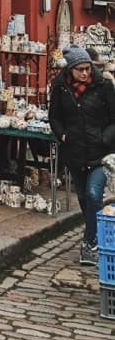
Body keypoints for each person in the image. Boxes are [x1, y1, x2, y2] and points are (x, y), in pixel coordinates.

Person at [49, 44, 115, 265]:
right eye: (80, 69)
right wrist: (63, 135)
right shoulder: (60, 88)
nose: (85, 73)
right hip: (75, 150)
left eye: (87, 68)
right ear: (70, 69)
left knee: (94, 194)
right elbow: (54, 116)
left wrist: (105, 139)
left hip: (100, 152)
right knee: (84, 199)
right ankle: (97, 233)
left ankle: (88, 243)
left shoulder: (104, 86)